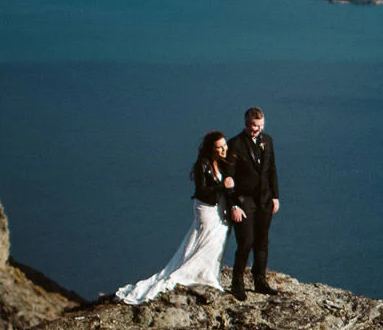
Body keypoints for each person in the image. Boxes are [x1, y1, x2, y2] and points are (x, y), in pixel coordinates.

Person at [115, 131, 235, 305]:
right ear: (211, 149)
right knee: (206, 239)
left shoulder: (222, 164)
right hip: (207, 209)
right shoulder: (202, 165)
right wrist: (222, 187)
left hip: (219, 207)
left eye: (225, 145)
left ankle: (207, 273)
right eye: (220, 147)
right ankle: (197, 274)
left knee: (216, 240)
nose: (224, 149)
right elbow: (201, 191)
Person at [226, 106, 280, 300]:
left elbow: (271, 169)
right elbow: (228, 179)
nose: (255, 129)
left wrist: (275, 196)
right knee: (246, 242)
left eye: (259, 126)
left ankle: (260, 281)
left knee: (262, 242)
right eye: (252, 125)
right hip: (244, 201)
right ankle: (237, 283)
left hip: (264, 200)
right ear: (246, 123)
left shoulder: (268, 141)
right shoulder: (235, 144)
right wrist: (233, 205)